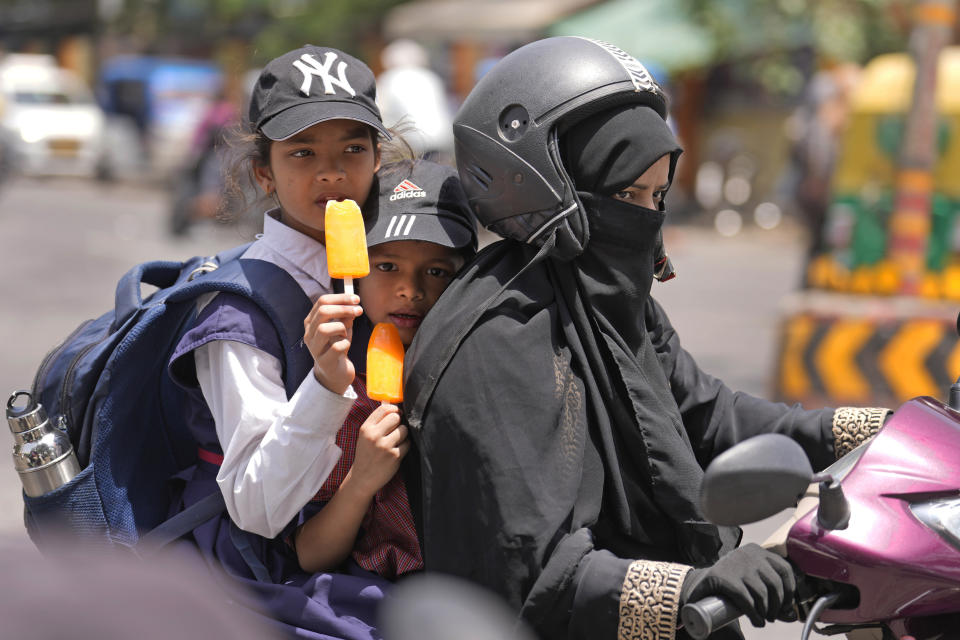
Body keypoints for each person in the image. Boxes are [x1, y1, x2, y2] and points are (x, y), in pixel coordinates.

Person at [403, 37, 891, 640]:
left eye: (656, 196)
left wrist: (890, 428)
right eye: (625, 196)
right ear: (554, 191)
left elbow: (711, 419)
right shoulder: (500, 341)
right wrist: (694, 585)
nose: (645, 218)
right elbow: (533, 571)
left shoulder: (611, 308)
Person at [165, 44, 398, 639]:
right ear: (264, 172)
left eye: (353, 148)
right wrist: (324, 383)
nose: (331, 172)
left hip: (365, 544)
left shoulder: (391, 266)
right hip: (264, 574)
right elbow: (258, 508)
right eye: (302, 152)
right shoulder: (240, 310)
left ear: (378, 159)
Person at [294, 158, 477, 580]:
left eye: (437, 272)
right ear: (354, 268)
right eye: (387, 266)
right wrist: (361, 480)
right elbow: (308, 555)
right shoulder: (336, 386)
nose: (410, 290)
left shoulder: (478, 371)